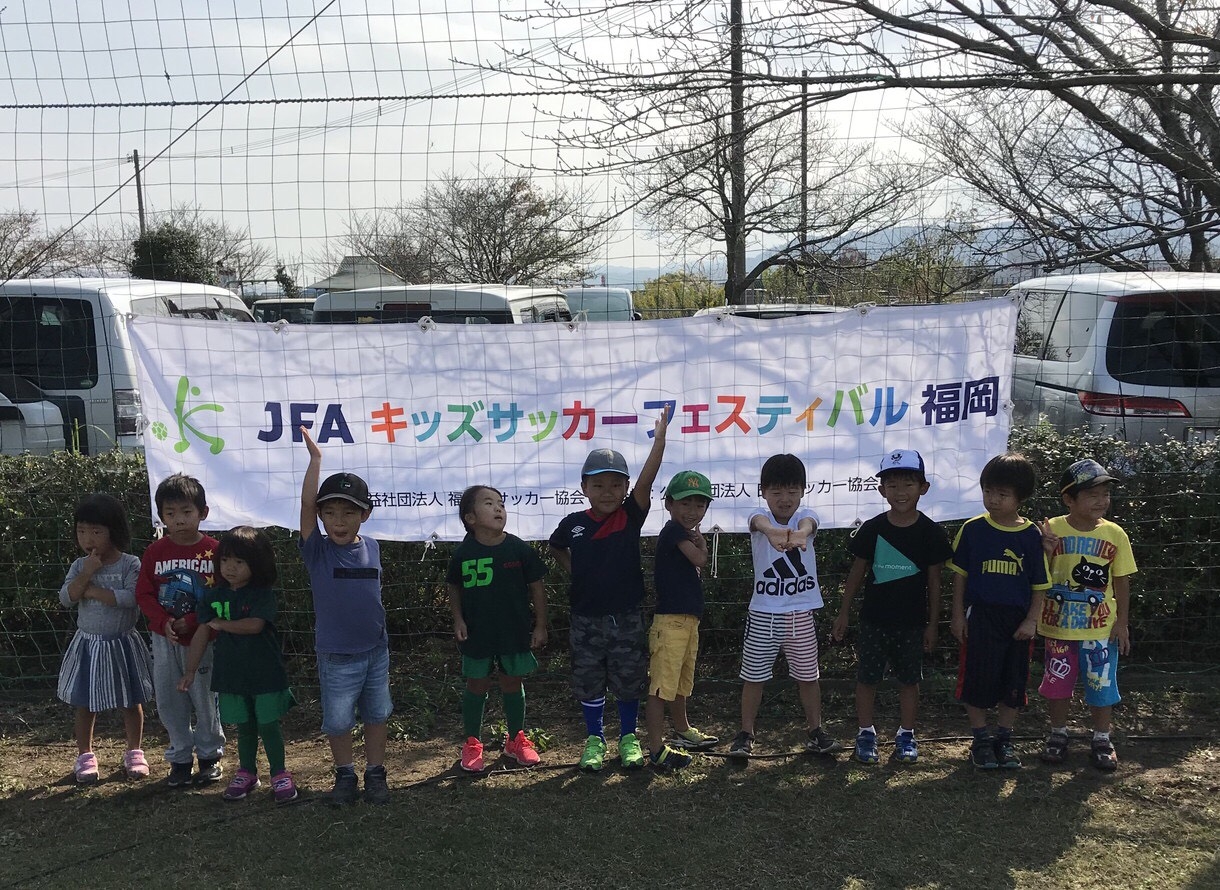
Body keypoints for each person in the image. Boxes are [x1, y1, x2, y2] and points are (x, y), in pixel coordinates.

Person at [549, 410, 668, 772]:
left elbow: (646, 483)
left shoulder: (630, 515)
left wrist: (659, 441)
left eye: (616, 485)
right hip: (585, 618)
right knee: (589, 680)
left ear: (624, 488)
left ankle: (629, 737)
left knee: (629, 678)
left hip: (627, 616)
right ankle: (594, 739)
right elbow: (555, 547)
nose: (607, 492)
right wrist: (576, 572)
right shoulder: (573, 524)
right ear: (583, 488)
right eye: (598, 485)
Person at [831, 450, 952, 764]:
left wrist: (933, 623)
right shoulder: (873, 528)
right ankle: (865, 733)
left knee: (909, 681)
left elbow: (936, 582)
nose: (900, 492)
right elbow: (857, 572)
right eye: (893, 485)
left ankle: (907, 735)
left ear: (923, 487)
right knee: (867, 678)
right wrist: (844, 611)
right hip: (874, 619)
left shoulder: (931, 533)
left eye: (908, 484)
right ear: (881, 490)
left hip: (912, 622)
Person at [299, 426, 392, 805]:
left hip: (376, 652)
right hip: (336, 656)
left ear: (364, 515)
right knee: (338, 722)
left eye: (348, 512)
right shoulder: (317, 551)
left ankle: (375, 774)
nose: (338, 521)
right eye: (330, 513)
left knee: (377, 714)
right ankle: (344, 775)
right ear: (320, 516)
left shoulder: (371, 546)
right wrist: (315, 462)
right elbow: (305, 508)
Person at [728, 454, 841, 759]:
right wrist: (773, 532)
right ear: (763, 492)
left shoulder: (806, 516)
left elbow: (808, 525)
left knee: (809, 676)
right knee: (754, 677)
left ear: (803, 490)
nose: (785, 499)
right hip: (764, 613)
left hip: (801, 613)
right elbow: (759, 522)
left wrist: (800, 535)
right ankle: (746, 733)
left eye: (792, 491)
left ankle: (816, 731)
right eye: (776, 492)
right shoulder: (757, 517)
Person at [179, 526, 298, 804]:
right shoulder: (212, 596)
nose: (230, 568)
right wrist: (190, 670)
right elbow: (201, 632)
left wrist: (221, 624)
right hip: (232, 675)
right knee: (244, 727)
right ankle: (246, 773)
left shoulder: (262, 594)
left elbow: (255, 625)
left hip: (266, 674)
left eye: (239, 562)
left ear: (257, 564)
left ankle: (280, 774)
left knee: (268, 724)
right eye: (225, 560)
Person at [948, 453, 1051, 770]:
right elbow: (960, 576)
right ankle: (980, 739)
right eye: (988, 491)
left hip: (1018, 622)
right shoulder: (973, 529)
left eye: (1002, 494)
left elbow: (1039, 583)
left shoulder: (1032, 535)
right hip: (980, 618)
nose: (992, 499)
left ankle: (1004, 740)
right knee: (976, 680)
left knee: (1014, 684)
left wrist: (1032, 620)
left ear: (1021, 497)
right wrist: (956, 615)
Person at [1036, 458, 1137, 771]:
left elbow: (1121, 580)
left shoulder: (1115, 534)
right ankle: (1058, 734)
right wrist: (1045, 550)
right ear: (1069, 499)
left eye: (1106, 494)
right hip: (1058, 627)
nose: (1102, 501)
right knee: (1057, 682)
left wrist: (1122, 623)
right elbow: (1038, 575)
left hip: (1100, 630)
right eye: (1092, 494)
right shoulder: (1052, 529)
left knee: (1101, 684)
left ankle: (1102, 737)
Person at [446, 486, 548, 772]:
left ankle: (516, 741)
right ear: (470, 518)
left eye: (501, 503)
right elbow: (453, 585)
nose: (498, 508)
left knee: (512, 682)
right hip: (477, 633)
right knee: (476, 685)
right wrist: (458, 619)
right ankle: (472, 743)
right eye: (489, 503)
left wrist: (540, 625)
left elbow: (537, 588)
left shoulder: (518, 548)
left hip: (513, 632)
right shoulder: (464, 552)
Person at [135, 473, 226, 787]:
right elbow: (144, 594)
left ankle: (210, 754)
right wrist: (163, 622)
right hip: (164, 641)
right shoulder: (155, 553)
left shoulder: (215, 551)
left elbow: (224, 593)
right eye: (170, 514)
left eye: (187, 512)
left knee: (205, 697)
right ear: (161, 516)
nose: (179, 520)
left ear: (203, 513)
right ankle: (180, 757)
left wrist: (201, 620)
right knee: (169, 699)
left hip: (205, 641)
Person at [57, 493, 154, 784]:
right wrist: (86, 576)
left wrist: (95, 592)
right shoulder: (79, 566)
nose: (89, 538)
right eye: (82, 531)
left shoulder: (129, 564)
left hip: (123, 642)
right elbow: (66, 598)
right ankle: (85, 755)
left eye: (97, 531)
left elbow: (130, 598)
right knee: (85, 702)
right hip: (89, 644)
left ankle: (134, 751)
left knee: (131, 700)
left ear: (115, 531)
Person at [644, 470, 718, 772]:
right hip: (670, 623)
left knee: (681, 683)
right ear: (669, 505)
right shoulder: (673, 532)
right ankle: (656, 748)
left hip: (688, 622)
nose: (693, 512)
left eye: (700, 505)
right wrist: (701, 544)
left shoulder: (683, 534)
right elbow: (700, 560)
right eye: (685, 504)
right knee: (661, 687)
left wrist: (699, 541)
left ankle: (684, 730)